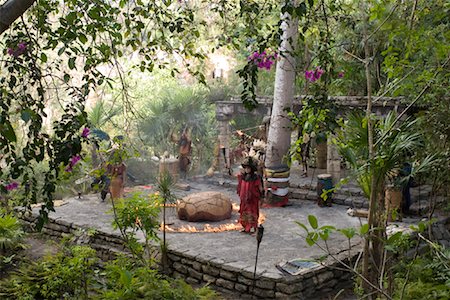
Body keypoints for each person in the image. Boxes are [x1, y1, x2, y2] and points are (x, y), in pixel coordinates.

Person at [237, 156, 263, 234]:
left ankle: (254, 228)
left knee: (253, 213)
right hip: (244, 200)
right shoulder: (243, 177)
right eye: (246, 168)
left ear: (252, 169)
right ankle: (246, 228)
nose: (247, 169)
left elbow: (260, 187)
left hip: (253, 200)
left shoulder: (256, 177)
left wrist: (262, 196)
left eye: (248, 168)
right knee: (244, 213)